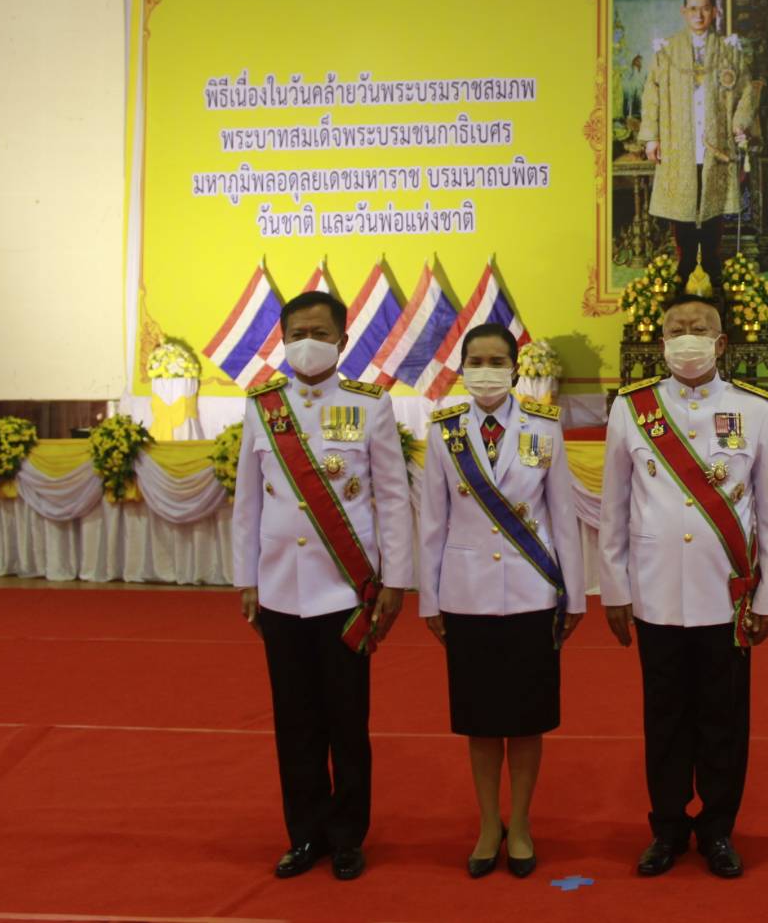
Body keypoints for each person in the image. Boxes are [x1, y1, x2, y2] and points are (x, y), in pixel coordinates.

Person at [599, 294, 768, 879]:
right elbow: (614, 508)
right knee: (665, 719)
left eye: (699, 328)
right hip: (655, 593)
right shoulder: (632, 408)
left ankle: (719, 830)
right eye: (677, 329)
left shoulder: (756, 410)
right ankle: (668, 828)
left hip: (725, 597)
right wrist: (615, 590)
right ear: (661, 342)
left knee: (723, 720)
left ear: (721, 342)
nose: (688, 338)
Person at [232, 290, 414, 881]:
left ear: (341, 338)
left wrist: (394, 580)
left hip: (345, 594)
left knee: (345, 721)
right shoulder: (263, 406)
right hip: (282, 591)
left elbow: (392, 497)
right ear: (282, 341)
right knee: (294, 721)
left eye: (319, 331)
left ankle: (346, 836)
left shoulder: (370, 405)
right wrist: (246, 580)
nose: (306, 342)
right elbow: (246, 505)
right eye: (295, 332)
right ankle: (303, 834)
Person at [420, 324, 585, 879]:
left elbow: (564, 514)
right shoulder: (444, 430)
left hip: (532, 592)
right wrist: (429, 599)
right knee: (481, 721)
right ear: (462, 366)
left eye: (496, 360)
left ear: (515, 367)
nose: (486, 369)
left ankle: (521, 823)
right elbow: (432, 521)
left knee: (527, 719)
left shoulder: (543, 427)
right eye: (476, 360)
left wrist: (575, 594)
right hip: (466, 596)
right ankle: (489, 823)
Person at [638, 0, 757, 293]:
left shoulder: (729, 51)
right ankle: (686, 261)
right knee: (683, 205)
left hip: (716, 142)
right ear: (684, 12)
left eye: (705, 9)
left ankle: (713, 262)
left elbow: (747, 91)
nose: (699, 15)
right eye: (693, 9)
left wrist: (739, 124)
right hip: (680, 142)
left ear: (713, 12)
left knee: (713, 203)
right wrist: (651, 137)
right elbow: (651, 95)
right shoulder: (666, 51)